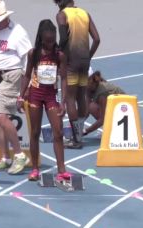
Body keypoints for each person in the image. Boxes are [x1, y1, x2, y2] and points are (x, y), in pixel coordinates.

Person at [0, 0, 31, 174]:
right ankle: (5, 158)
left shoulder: (17, 32)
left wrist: (27, 84)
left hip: (11, 75)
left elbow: (28, 58)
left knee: (2, 116)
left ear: (5, 18)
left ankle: (19, 155)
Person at [18, 19, 72, 184]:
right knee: (34, 132)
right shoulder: (33, 54)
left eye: (53, 40)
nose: (50, 44)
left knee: (58, 132)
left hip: (51, 96)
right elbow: (27, 75)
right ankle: (35, 169)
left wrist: (63, 102)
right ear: (41, 39)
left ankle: (61, 170)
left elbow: (64, 79)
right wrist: (21, 96)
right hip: (35, 95)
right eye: (47, 41)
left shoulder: (59, 55)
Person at [54, 0, 100, 148]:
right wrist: (88, 56)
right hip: (84, 62)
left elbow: (63, 39)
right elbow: (97, 39)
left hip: (71, 62)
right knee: (81, 97)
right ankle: (78, 136)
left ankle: (76, 139)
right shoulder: (84, 13)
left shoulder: (62, 15)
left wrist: (58, 56)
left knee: (70, 99)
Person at [84, 70, 125, 136]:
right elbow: (86, 111)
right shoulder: (88, 88)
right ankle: (111, 127)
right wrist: (76, 127)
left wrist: (85, 131)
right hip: (113, 108)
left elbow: (102, 120)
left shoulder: (102, 93)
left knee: (92, 107)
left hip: (124, 110)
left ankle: (115, 129)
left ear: (91, 80)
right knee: (90, 107)